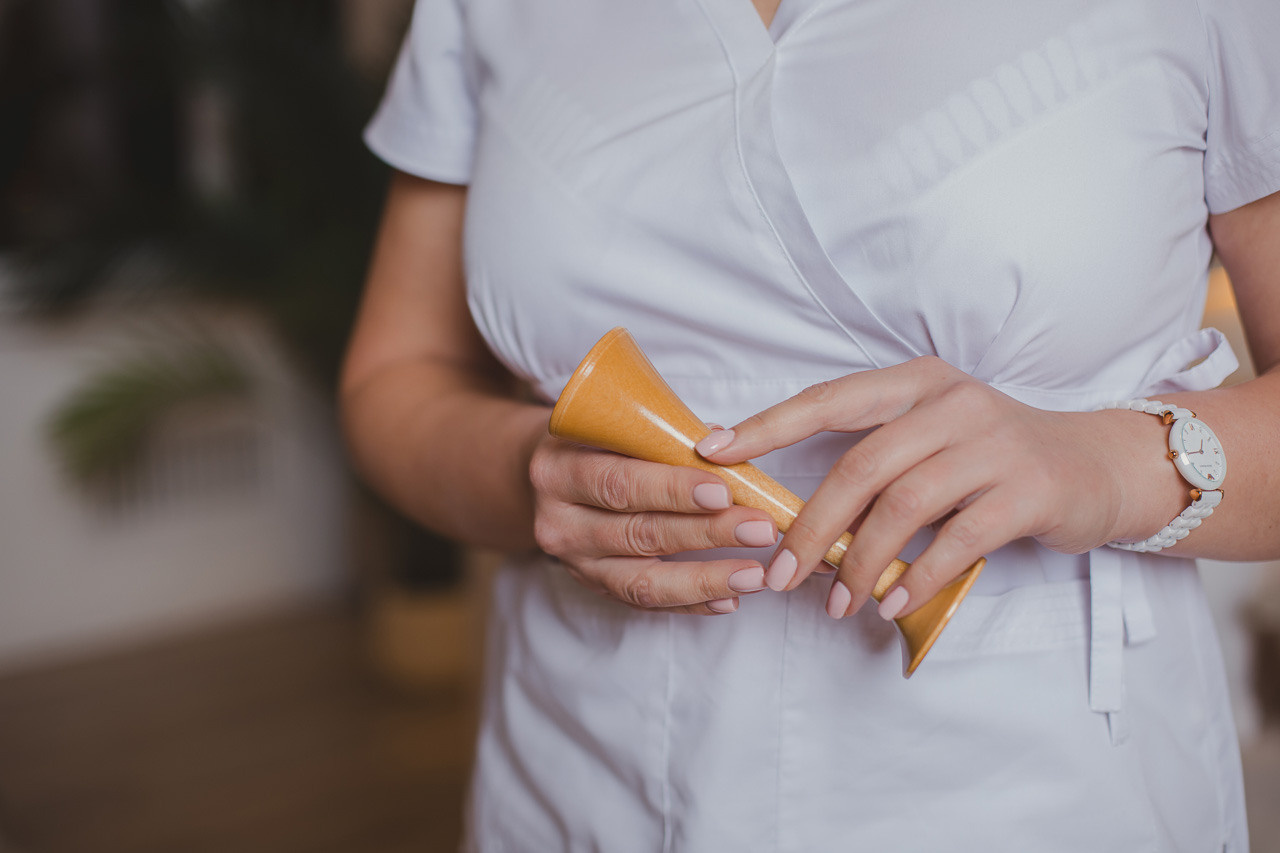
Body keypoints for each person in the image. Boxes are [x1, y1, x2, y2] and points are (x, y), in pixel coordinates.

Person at [340, 0, 1280, 849]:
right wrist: (525, 473)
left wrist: (1106, 465)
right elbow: (393, 377)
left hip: (1043, 792)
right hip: (577, 775)